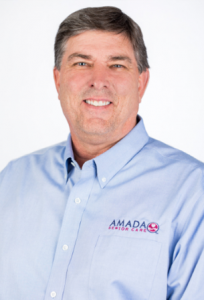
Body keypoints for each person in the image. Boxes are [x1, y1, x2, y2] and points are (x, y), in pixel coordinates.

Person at [0, 6, 203, 300]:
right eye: (81, 64)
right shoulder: (11, 181)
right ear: (58, 80)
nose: (98, 80)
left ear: (141, 82)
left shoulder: (193, 192)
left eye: (117, 65)